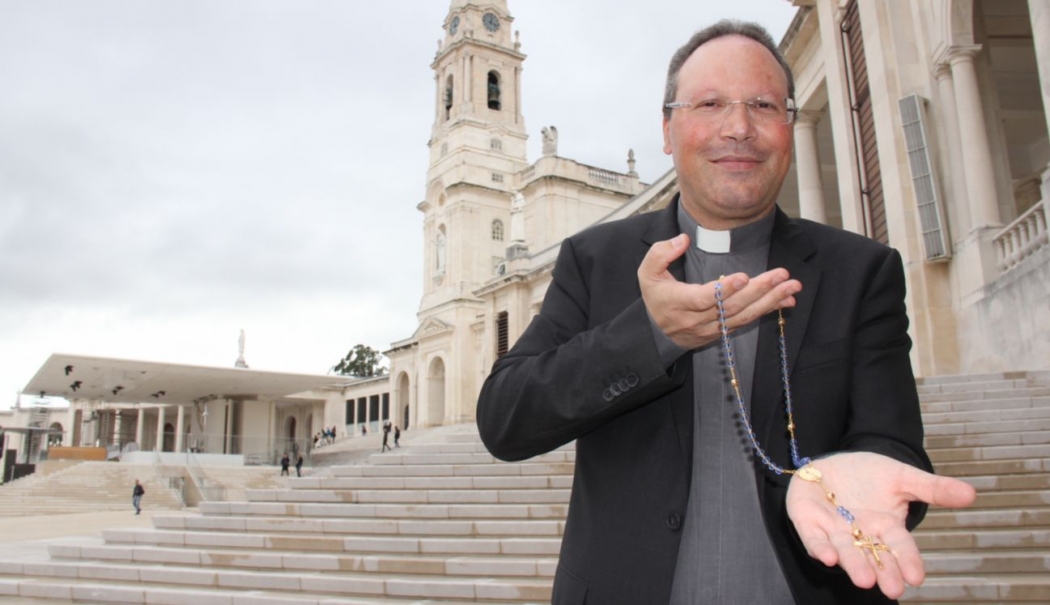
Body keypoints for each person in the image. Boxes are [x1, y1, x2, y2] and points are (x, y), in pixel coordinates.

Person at [476, 20, 977, 605]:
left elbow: (892, 449)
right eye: (710, 103)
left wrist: (858, 486)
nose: (738, 128)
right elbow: (505, 421)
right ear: (667, 129)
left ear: (789, 125)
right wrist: (650, 335)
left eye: (763, 105)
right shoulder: (596, 260)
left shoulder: (860, 271)